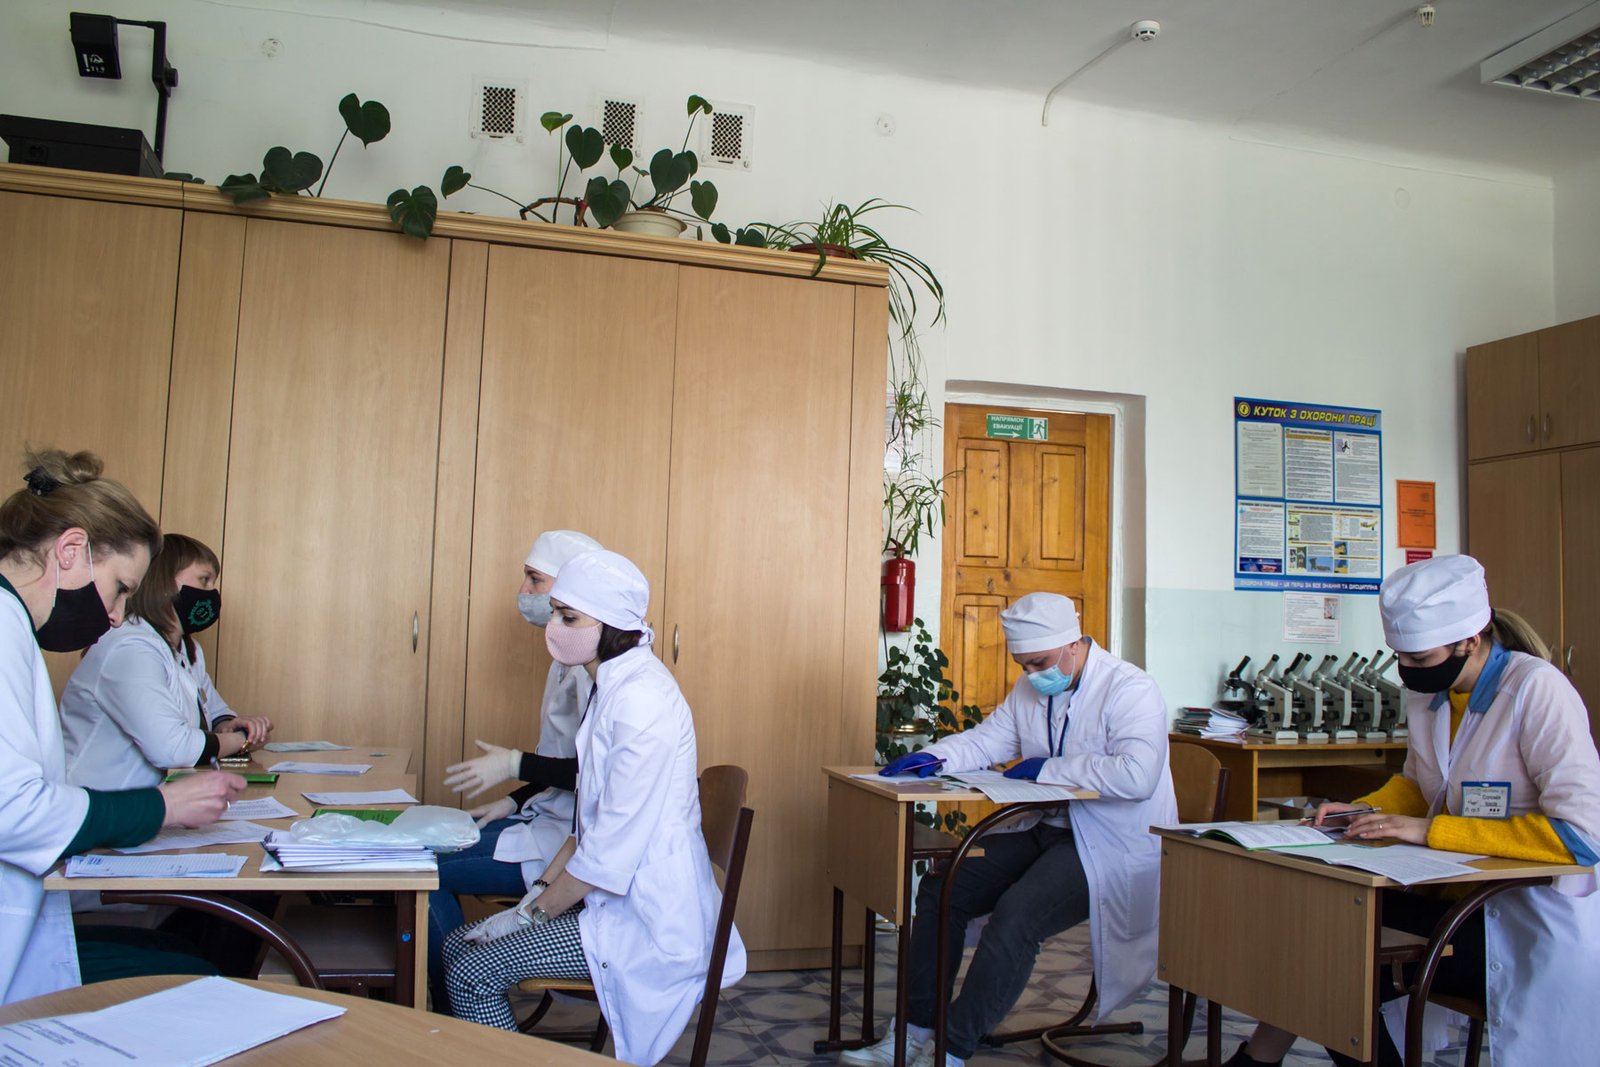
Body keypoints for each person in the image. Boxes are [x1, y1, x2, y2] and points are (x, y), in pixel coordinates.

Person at [1224, 555, 1600, 1067]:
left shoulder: (1536, 690)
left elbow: (1582, 836)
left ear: (1470, 640)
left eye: (1420, 659)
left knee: (1340, 969)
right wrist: (1364, 810)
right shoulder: (1431, 694)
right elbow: (1420, 785)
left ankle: (1256, 1061)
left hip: (1522, 919)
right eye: (1400, 657)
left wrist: (1432, 831)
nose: (1409, 672)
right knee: (1322, 930)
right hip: (1453, 895)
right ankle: (1257, 1060)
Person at [441, 549, 746, 1065]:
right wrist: (534, 897)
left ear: (609, 625)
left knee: (472, 971)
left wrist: (530, 916)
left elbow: (607, 857)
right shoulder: (612, 688)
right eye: (555, 614)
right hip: (612, 900)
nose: (553, 629)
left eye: (568, 618)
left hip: (647, 924)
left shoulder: (642, 702)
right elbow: (585, 828)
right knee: (457, 946)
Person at [846, 592, 1177, 1067]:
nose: (1032, 675)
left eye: (1039, 663)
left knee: (1017, 916)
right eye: (1023, 665)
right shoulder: (1031, 688)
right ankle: (914, 1030)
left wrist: (1050, 769)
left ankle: (951, 1050)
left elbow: (1138, 775)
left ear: (1073, 644)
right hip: (1048, 827)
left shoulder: (1130, 689)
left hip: (1110, 842)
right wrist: (936, 756)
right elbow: (988, 741)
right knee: (944, 887)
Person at [0, 449, 244, 1004]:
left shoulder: (12, 627)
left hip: (31, 916)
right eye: (120, 587)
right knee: (200, 975)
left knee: (198, 955)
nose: (115, 614)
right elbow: (12, 810)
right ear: (70, 550)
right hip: (27, 922)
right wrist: (162, 807)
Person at [427, 528, 598, 1011]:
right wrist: (513, 798)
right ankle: (460, 999)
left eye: (535, 579)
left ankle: (451, 1007)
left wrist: (513, 764)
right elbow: (564, 762)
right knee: (428, 849)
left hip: (565, 841)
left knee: (423, 872)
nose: (524, 591)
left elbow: (594, 773)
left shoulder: (601, 675)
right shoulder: (566, 659)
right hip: (552, 823)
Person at [60, 533, 272, 789]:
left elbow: (215, 713)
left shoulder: (187, 649)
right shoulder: (129, 647)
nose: (211, 594)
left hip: (148, 799)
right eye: (204, 580)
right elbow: (174, 748)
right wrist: (240, 740)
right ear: (164, 581)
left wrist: (232, 727)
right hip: (94, 799)